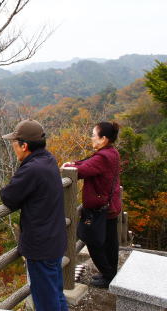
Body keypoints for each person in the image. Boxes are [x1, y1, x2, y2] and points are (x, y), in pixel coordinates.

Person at [0, 119, 68, 311]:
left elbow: (8, 196)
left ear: (24, 145)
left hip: (41, 246)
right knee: (56, 293)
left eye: (14, 142)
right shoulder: (48, 159)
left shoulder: (32, 169)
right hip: (54, 239)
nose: (13, 146)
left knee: (46, 301)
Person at [62, 121, 121, 288]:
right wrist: (73, 163)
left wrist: (70, 166)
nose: (91, 137)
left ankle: (108, 275)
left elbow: (83, 169)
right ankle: (110, 275)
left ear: (103, 139)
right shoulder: (111, 152)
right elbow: (87, 162)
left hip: (100, 208)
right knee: (110, 241)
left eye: (94, 135)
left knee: (91, 238)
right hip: (110, 205)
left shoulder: (103, 157)